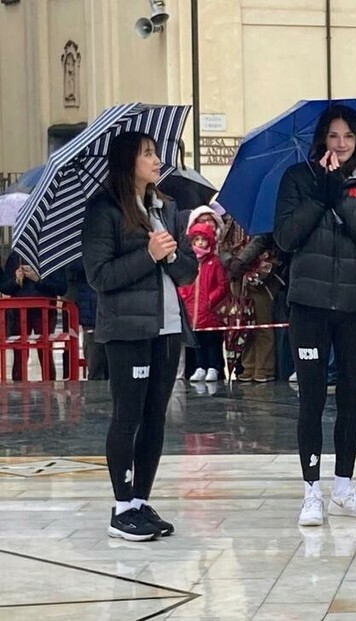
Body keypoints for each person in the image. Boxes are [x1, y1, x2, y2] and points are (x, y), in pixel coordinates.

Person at [273, 105, 356, 526]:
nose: (341, 144)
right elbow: (285, 237)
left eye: (349, 137)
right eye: (334, 136)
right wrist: (319, 195)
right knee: (311, 398)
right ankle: (311, 491)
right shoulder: (297, 178)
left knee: (350, 399)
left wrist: (339, 194)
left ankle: (344, 486)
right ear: (322, 138)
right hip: (310, 304)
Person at [82, 130, 198, 541]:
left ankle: (141, 501)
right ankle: (122, 507)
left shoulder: (166, 207)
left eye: (156, 152)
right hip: (128, 331)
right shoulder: (105, 210)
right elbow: (99, 276)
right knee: (127, 416)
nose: (156, 159)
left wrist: (171, 255)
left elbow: (188, 271)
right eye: (147, 153)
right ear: (128, 160)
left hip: (167, 327)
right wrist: (148, 255)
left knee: (154, 418)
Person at [1, 251, 68, 380]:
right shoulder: (16, 256)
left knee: (45, 351)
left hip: (45, 311)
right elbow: (4, 287)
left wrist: (38, 280)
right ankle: (18, 387)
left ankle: (49, 385)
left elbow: (62, 287)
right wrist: (16, 280)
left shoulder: (52, 254)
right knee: (19, 353)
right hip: (19, 311)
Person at [178, 222, 229, 383]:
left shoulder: (214, 262)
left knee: (212, 340)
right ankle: (201, 367)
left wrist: (210, 300)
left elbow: (222, 285)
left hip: (210, 311)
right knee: (197, 340)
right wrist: (185, 299)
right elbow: (184, 283)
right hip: (193, 311)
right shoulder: (190, 262)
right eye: (197, 240)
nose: (200, 243)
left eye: (203, 239)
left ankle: (213, 367)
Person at [226, 233, 281, 383]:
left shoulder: (264, 228)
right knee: (246, 327)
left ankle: (264, 368)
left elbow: (261, 243)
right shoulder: (233, 226)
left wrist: (242, 260)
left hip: (261, 281)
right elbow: (223, 247)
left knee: (263, 326)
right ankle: (249, 366)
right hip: (240, 281)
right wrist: (231, 261)